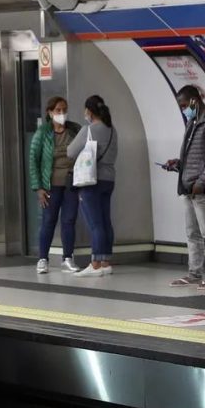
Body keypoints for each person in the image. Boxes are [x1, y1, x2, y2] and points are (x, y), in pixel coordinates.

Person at [163, 85, 205, 290]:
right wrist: (178, 164)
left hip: (202, 189)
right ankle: (194, 273)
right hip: (189, 187)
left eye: (184, 105)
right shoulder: (192, 122)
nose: (183, 109)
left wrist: (202, 182)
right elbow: (194, 158)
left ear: (193, 101)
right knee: (192, 234)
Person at [28, 96, 82, 274]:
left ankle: (68, 258)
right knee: (48, 221)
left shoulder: (75, 130)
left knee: (69, 220)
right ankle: (43, 259)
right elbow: (33, 161)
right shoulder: (42, 133)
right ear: (50, 113)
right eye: (58, 110)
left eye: (64, 110)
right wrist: (38, 188)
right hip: (50, 185)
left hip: (71, 183)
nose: (62, 114)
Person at [67, 95, 117, 277]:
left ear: (89, 111)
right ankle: (106, 262)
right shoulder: (112, 130)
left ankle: (95, 264)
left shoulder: (88, 130)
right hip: (109, 180)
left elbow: (70, 152)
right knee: (105, 221)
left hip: (91, 180)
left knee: (95, 223)